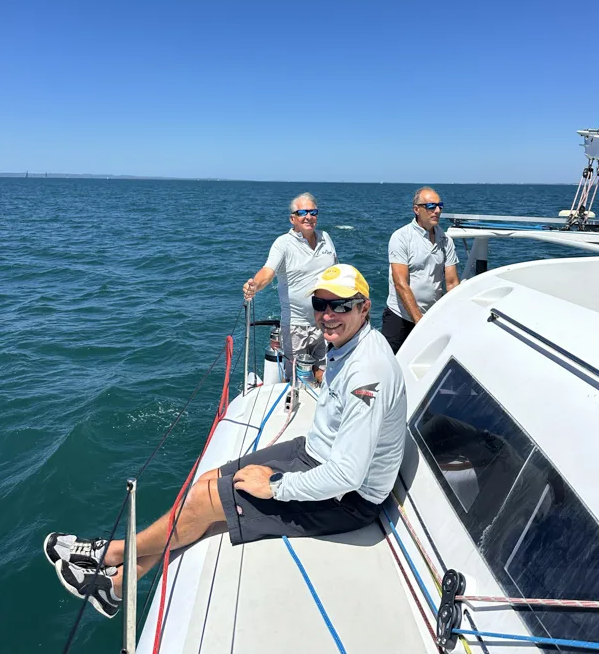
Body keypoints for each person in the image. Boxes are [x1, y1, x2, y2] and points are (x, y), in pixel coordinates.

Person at [45, 264, 407, 619]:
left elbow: (348, 475)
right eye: (320, 304)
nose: (328, 315)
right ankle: (119, 585)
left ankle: (110, 555)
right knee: (205, 483)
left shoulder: (367, 371)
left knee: (205, 501)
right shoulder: (345, 342)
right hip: (314, 453)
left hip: (347, 500)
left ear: (364, 307)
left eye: (341, 305)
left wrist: (276, 486)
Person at [242, 192, 337, 376]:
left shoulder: (326, 238)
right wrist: (255, 285)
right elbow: (268, 272)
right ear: (292, 218)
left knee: (327, 374)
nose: (309, 217)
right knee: (295, 379)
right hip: (296, 327)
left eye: (313, 212)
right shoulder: (283, 244)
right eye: (302, 212)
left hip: (327, 321)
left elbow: (337, 273)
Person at [382, 187, 459, 354]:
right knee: (391, 367)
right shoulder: (401, 237)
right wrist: (419, 320)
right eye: (431, 206)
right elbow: (400, 283)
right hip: (400, 318)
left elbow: (452, 283)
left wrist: (455, 315)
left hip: (431, 317)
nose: (437, 210)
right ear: (416, 209)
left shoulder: (446, 241)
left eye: (440, 206)